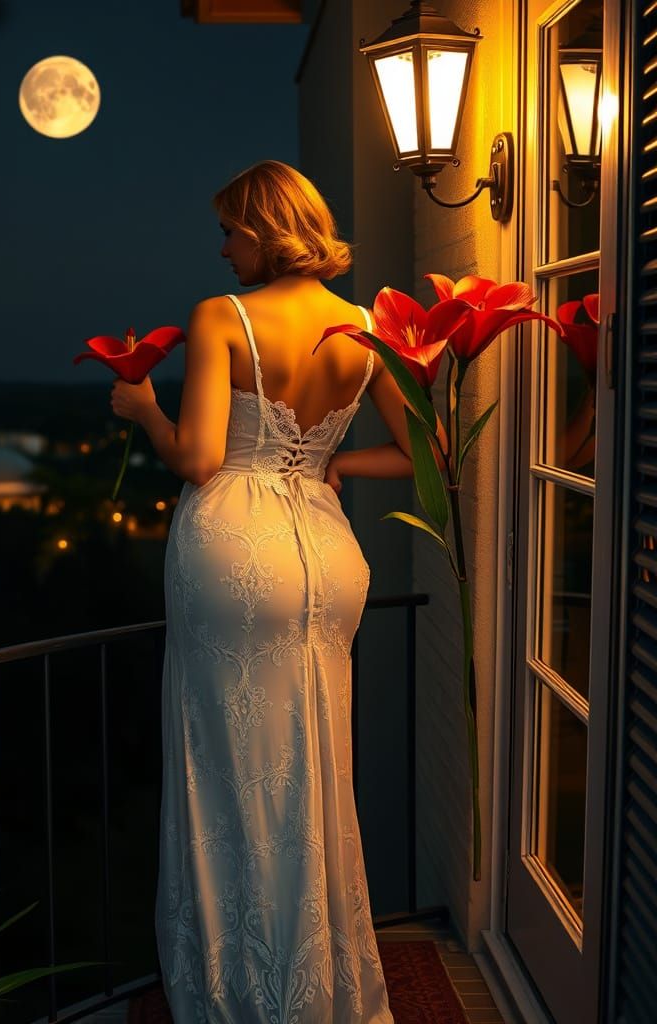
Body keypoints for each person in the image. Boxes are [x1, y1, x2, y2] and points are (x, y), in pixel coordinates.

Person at [110, 160, 440, 1023]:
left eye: (230, 232)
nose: (222, 251)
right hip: (324, 557)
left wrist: (141, 407)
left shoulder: (225, 318)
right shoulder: (365, 326)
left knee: (224, 770)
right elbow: (425, 457)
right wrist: (335, 463)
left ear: (263, 230)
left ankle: (241, 991)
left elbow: (198, 458)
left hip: (234, 546)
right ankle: (315, 980)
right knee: (316, 763)